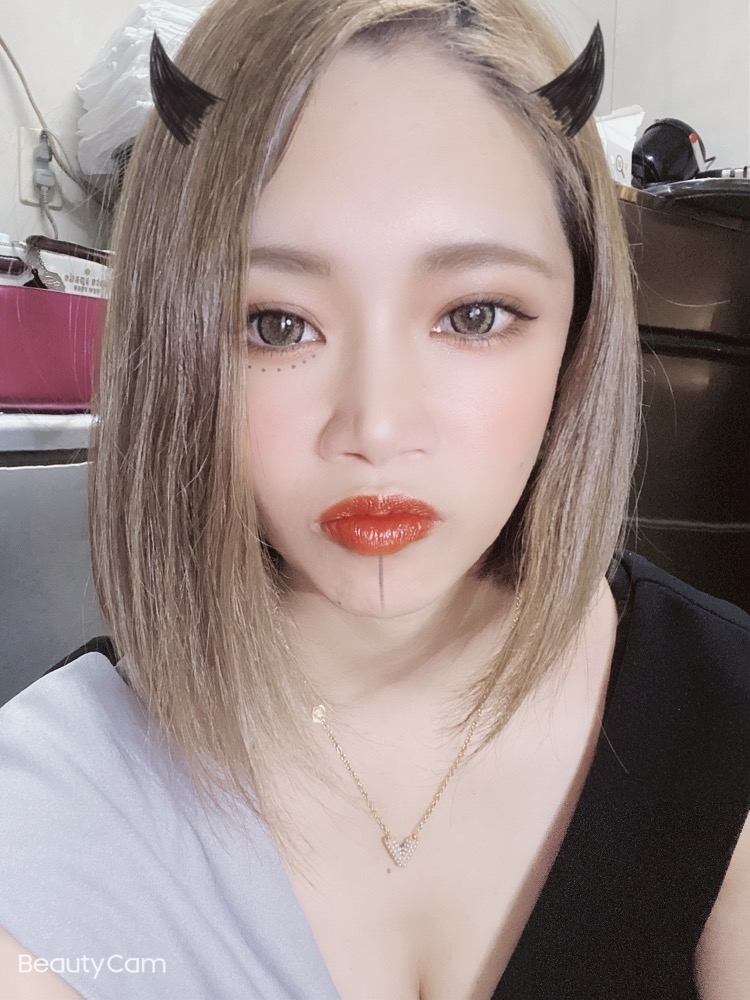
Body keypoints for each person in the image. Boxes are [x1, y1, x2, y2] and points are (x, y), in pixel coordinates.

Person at [1, 0, 748, 997]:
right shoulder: (57, 798)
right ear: (177, 350)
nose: (378, 426)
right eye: (277, 324)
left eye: (474, 315)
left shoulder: (723, 715)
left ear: (579, 335)